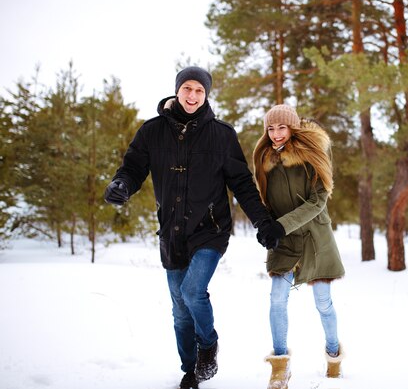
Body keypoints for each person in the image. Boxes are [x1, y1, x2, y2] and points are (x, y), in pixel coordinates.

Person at [103, 66, 284, 389]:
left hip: (210, 229)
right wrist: (121, 186)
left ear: (206, 95)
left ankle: (208, 345)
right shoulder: (152, 131)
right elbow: (132, 168)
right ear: (177, 90)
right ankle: (191, 370)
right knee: (180, 311)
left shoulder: (221, 135)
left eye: (199, 91)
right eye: (187, 88)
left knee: (191, 291)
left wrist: (263, 222)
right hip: (171, 233)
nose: (192, 95)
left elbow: (242, 183)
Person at [252, 104, 346, 389]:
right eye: (271, 128)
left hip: (315, 237)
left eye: (282, 127)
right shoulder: (264, 157)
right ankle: (280, 365)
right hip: (284, 239)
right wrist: (267, 226)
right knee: (277, 299)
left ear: (293, 127)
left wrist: (280, 225)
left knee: (323, 301)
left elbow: (318, 201)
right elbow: (264, 200)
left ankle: (333, 354)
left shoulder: (312, 154)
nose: (276, 134)